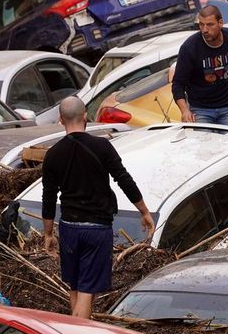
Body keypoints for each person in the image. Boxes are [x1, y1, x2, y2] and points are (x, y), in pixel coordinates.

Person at [41, 96, 155, 319]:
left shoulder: (53, 154)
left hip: (69, 228)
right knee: (85, 292)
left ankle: (77, 330)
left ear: (61, 120)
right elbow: (124, 179)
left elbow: (48, 197)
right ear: (85, 117)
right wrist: (143, 210)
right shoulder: (102, 147)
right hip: (96, 229)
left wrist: (47, 234)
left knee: (75, 286)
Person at [172, 5, 228, 126]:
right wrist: (185, 110)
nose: (204, 30)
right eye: (201, 25)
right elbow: (178, 84)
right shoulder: (189, 48)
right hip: (201, 109)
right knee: (206, 144)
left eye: (210, 24)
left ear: (220, 23)